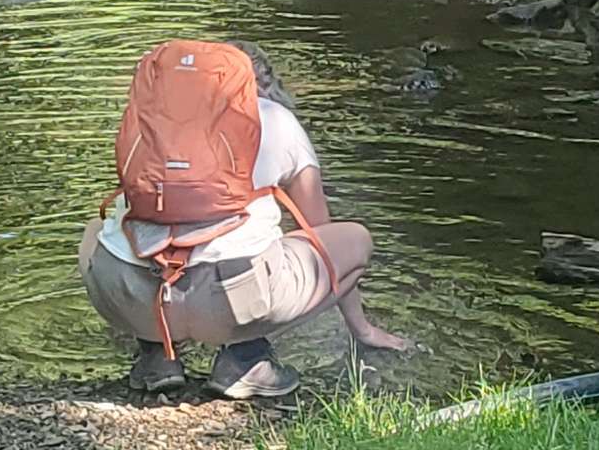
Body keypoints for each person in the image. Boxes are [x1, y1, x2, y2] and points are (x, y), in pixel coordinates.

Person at [77, 38, 410, 401]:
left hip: (130, 295)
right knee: (354, 241)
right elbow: (318, 233)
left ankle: (157, 358)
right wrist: (362, 329)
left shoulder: (151, 119)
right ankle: (245, 360)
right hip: (232, 301)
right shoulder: (275, 118)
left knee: (98, 230)